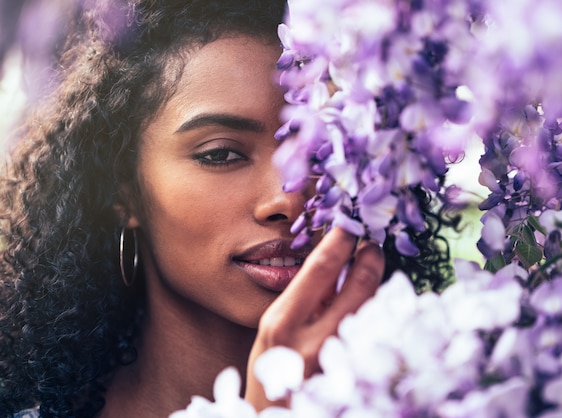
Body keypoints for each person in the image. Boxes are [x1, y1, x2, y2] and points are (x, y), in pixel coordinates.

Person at [0, 0, 455, 417]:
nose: (290, 198)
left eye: (322, 154)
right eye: (221, 154)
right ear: (125, 189)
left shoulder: (445, 392)